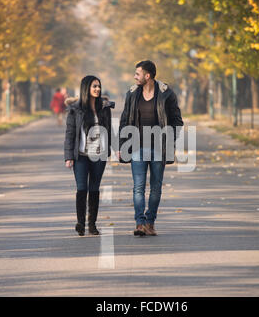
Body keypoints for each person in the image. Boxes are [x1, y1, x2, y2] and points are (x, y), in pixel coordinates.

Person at [117, 60, 183, 237]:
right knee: (138, 187)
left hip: (159, 148)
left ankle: (150, 222)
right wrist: (122, 144)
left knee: (156, 188)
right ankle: (139, 223)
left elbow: (177, 120)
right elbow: (125, 121)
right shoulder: (132, 94)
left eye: (137, 73)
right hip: (137, 146)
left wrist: (170, 141)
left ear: (148, 76)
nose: (134, 76)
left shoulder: (166, 94)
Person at [64, 76, 115, 236]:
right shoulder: (76, 109)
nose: (97, 89)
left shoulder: (104, 107)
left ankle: (92, 224)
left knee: (94, 188)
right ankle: (80, 223)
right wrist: (68, 156)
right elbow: (70, 133)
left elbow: (109, 131)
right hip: (81, 155)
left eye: (99, 86)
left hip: (99, 156)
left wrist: (117, 149)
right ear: (86, 88)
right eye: (94, 86)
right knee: (81, 188)